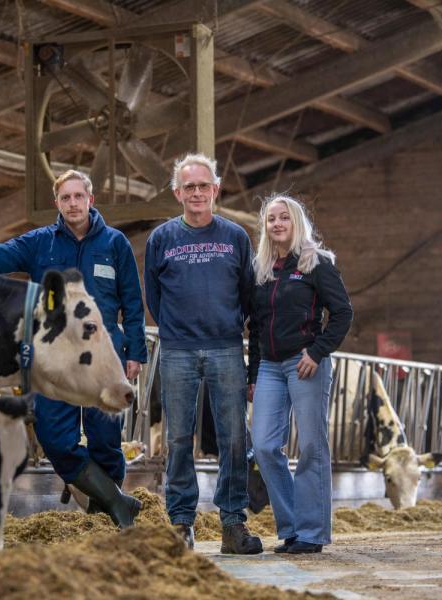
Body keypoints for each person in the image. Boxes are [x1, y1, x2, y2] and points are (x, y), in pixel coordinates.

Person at [0, 169, 146, 528]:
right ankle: (118, 502)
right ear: (57, 203)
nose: (72, 203)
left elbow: (132, 302)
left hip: (103, 355)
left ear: (91, 200)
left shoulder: (115, 243)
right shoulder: (40, 242)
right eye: (65, 198)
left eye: (78, 196)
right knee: (54, 437)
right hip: (54, 357)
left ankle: (104, 517)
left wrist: (135, 352)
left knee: (105, 439)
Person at [144, 153, 262, 554]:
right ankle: (181, 523)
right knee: (178, 439)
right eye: (188, 186)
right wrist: (180, 329)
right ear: (178, 193)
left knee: (233, 438)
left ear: (216, 189)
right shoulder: (162, 239)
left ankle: (232, 524)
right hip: (177, 350)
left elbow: (248, 293)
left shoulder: (236, 237)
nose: (197, 192)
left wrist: (224, 325)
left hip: (226, 347)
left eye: (203, 185)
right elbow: (153, 298)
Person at [247, 194, 353, 554]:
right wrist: (253, 374)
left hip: (306, 363)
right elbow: (257, 327)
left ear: (296, 222)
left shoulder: (316, 263)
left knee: (310, 445)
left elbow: (342, 314)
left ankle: (311, 533)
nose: (277, 224)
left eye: (284, 218)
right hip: (270, 369)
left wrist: (318, 351)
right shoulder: (260, 270)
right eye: (271, 219)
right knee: (262, 444)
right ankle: (291, 525)